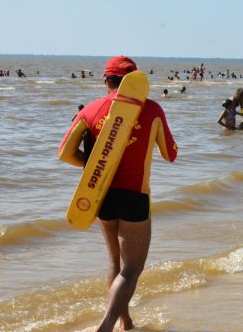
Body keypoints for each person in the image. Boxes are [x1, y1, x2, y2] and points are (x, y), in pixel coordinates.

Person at [57, 56, 178, 332]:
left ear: (106, 81)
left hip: (100, 194)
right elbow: (170, 155)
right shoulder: (152, 110)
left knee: (115, 262)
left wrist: (92, 167)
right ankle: (106, 325)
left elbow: (64, 153)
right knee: (133, 268)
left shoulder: (90, 109)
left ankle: (125, 322)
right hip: (135, 196)